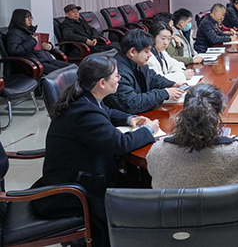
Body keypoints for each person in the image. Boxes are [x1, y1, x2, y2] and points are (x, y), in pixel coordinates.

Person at [32, 54, 159, 247]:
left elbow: (107, 112)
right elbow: (120, 144)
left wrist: (130, 118)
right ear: (102, 83)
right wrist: (148, 130)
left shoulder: (86, 98)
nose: (119, 79)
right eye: (116, 76)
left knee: (141, 185)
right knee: (142, 193)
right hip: (74, 189)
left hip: (84, 173)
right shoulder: (84, 111)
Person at [147, 83, 238, 189]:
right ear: (218, 115)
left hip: (175, 211)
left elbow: (152, 171)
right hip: (225, 211)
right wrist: (235, 140)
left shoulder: (158, 151)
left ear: (184, 113)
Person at [104, 29, 184, 114]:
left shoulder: (137, 62)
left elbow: (153, 78)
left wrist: (172, 84)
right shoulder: (117, 72)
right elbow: (131, 103)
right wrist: (164, 93)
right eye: (146, 51)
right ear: (132, 52)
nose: (150, 55)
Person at [6, 8, 70, 74]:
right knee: (61, 73)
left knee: (71, 68)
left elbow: (39, 43)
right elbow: (15, 51)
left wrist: (49, 46)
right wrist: (32, 41)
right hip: (32, 64)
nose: (30, 19)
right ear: (20, 18)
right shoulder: (14, 33)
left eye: (30, 17)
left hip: (44, 59)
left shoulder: (28, 31)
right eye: (27, 17)